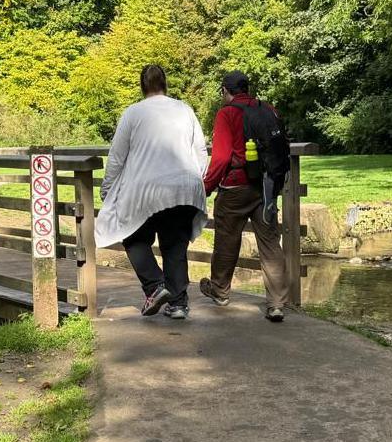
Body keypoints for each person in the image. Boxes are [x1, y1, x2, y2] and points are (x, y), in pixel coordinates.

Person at [96, 65, 209, 319]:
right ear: (165, 84)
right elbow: (201, 151)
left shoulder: (133, 113)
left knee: (134, 236)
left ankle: (154, 286)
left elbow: (117, 156)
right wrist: (196, 178)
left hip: (145, 190)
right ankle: (178, 304)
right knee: (175, 245)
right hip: (184, 187)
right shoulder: (184, 110)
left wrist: (107, 188)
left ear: (142, 86)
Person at [200, 71, 289, 322]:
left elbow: (220, 158)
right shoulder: (269, 109)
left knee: (227, 239)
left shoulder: (227, 113)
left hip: (236, 187)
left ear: (225, 91)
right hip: (266, 187)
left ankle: (220, 291)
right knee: (270, 243)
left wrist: (206, 186)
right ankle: (276, 303)